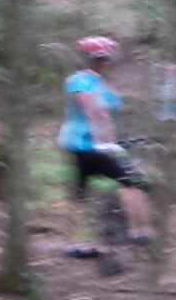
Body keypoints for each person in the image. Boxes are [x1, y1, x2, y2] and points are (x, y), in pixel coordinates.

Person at [60, 35, 154, 272]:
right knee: (132, 183)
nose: (104, 61)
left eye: (105, 57)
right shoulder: (81, 80)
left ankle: (76, 242)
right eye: (101, 57)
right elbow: (95, 111)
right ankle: (139, 231)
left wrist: (112, 140)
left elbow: (105, 115)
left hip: (86, 145)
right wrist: (106, 143)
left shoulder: (97, 82)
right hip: (87, 145)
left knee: (81, 191)